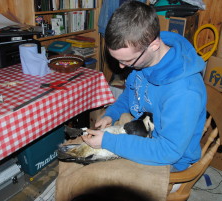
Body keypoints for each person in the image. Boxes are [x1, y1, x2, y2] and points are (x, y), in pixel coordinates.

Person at [83, 0, 207, 172]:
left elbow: (168, 151)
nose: (121, 67)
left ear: (154, 45)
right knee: (86, 159)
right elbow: (132, 94)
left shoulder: (184, 92)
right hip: (145, 133)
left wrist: (108, 142)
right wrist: (111, 114)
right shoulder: (144, 61)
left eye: (127, 60)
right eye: (118, 60)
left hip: (170, 158)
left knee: (98, 174)